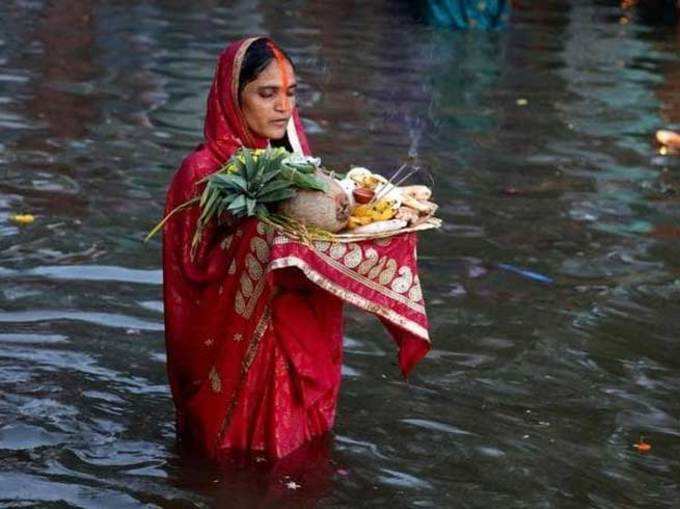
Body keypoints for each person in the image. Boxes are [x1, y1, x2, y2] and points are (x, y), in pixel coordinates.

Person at [162, 36, 430, 462]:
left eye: (290, 94)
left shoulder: (294, 164)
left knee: (300, 460)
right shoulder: (202, 170)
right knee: (237, 467)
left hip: (292, 332)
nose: (283, 108)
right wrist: (258, 236)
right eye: (267, 94)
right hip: (234, 340)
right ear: (233, 98)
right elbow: (190, 272)